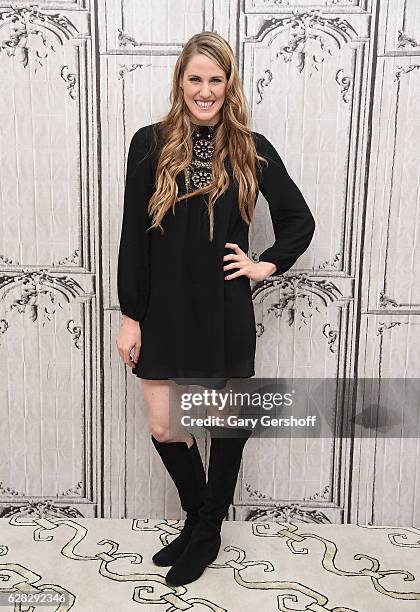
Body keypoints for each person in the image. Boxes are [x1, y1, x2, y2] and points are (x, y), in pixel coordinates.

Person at [115, 31, 315, 587]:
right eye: (195, 78)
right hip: (162, 308)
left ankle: (203, 530)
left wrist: (262, 265)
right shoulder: (148, 143)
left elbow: (299, 221)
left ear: (229, 86)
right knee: (165, 426)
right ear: (181, 82)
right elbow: (134, 234)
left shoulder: (251, 147)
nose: (205, 90)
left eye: (216, 80)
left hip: (224, 306)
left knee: (227, 426)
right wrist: (131, 314)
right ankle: (204, 521)